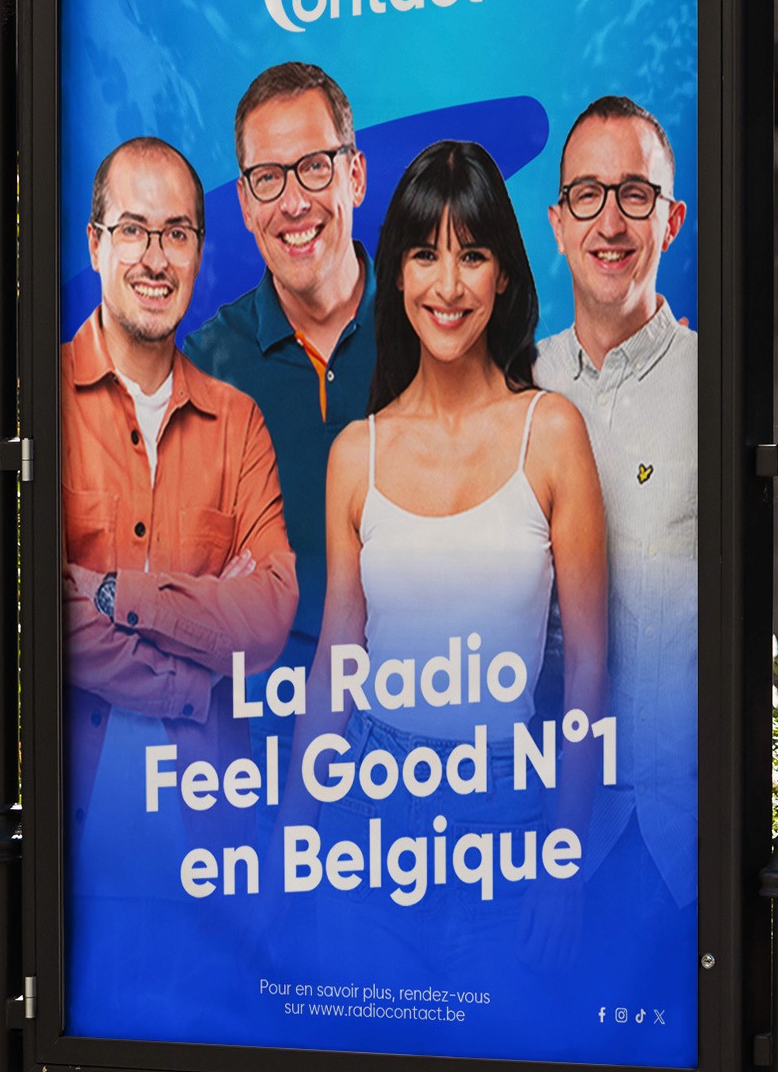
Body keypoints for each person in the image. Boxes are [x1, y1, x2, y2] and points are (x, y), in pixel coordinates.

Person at [289, 140, 608, 957]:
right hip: (366, 795)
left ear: (502, 274)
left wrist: (564, 866)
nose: (449, 283)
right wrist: (292, 834)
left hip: (503, 803)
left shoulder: (552, 434)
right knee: (354, 1062)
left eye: (472, 254)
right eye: (426, 254)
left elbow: (588, 671)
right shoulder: (354, 454)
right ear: (396, 274)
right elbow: (336, 658)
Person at [61, 135, 298, 861]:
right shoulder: (39, 405)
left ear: (200, 250)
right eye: (133, 231)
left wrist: (105, 593)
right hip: (74, 862)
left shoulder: (238, 423)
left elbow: (265, 620)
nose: (155, 260)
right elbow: (39, 618)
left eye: (177, 234)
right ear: (97, 243)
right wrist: (190, 682)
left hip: (209, 852)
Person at [532, 96, 699, 913]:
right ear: (558, 223)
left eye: (635, 194)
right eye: (588, 196)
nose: (611, 220)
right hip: (529, 832)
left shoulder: (719, 389)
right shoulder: (510, 389)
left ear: (671, 220)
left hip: (678, 843)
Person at [183, 62, 377, 670]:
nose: (293, 203)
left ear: (356, 175)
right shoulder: (202, 367)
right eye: (268, 178)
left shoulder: (434, 330)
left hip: (429, 705)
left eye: (315, 167)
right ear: (244, 203)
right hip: (260, 724)